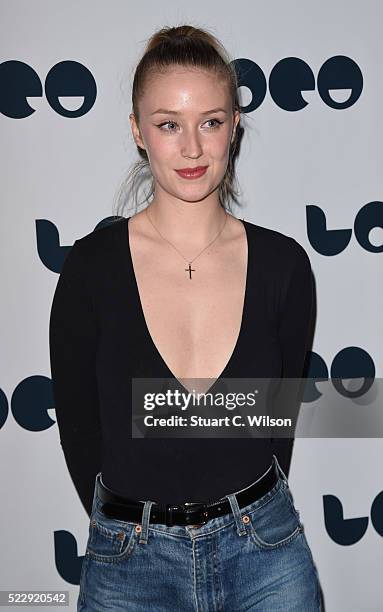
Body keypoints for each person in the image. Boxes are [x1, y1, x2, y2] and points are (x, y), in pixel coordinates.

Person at [49, 24, 322, 611]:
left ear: (236, 126)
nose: (193, 148)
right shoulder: (92, 268)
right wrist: (133, 527)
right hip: (129, 568)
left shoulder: (285, 266)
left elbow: (278, 420)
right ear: (137, 132)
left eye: (212, 121)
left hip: (267, 558)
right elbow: (79, 426)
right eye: (169, 124)